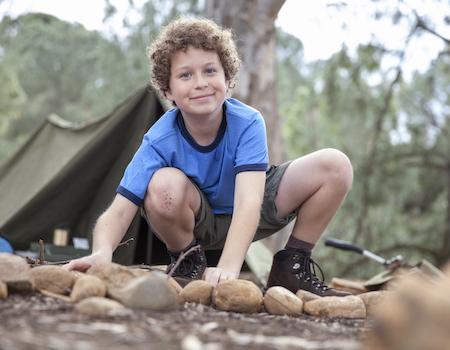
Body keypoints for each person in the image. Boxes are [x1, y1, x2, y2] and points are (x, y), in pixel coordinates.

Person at [65, 17, 353, 297]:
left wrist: (229, 268)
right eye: (186, 75)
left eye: (210, 71)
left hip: (252, 211)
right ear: (168, 90)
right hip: (196, 222)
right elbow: (118, 210)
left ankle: (292, 265)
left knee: (335, 166)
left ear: (227, 79)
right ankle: (189, 260)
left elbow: (249, 202)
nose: (200, 83)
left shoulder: (248, 122)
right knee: (162, 185)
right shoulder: (159, 139)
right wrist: (101, 252)